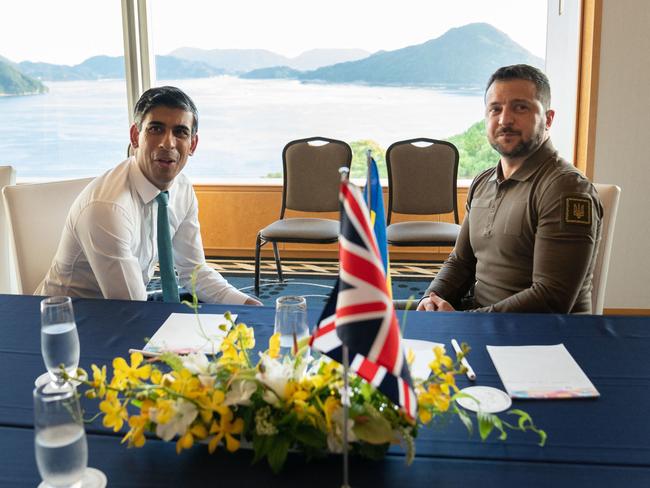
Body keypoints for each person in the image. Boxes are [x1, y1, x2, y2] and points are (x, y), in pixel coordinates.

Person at [37, 86, 262, 306]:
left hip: (122, 310)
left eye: (180, 132)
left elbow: (194, 271)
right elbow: (133, 308)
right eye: (156, 129)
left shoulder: (181, 189)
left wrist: (245, 303)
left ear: (192, 144)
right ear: (136, 136)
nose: (168, 143)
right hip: (67, 320)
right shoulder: (108, 208)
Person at [417, 64, 602, 314]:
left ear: (548, 119)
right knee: (372, 318)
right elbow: (461, 262)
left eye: (520, 107)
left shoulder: (566, 188)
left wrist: (461, 321)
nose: (505, 119)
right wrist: (431, 299)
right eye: (495, 109)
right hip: (480, 318)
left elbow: (551, 298)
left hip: (541, 338)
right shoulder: (483, 182)